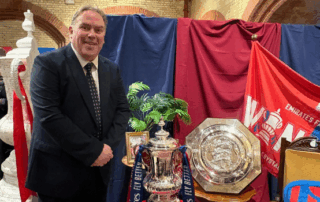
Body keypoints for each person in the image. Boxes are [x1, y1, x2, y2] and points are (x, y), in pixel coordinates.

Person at [25, 5, 130, 202]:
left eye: (98, 30)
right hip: (57, 177)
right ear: (72, 31)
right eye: (85, 28)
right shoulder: (47, 64)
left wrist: (106, 147)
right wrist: (94, 151)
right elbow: (49, 116)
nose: (92, 35)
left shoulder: (111, 69)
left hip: (98, 175)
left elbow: (122, 110)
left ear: (104, 36)